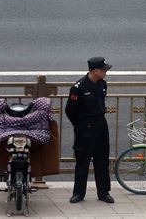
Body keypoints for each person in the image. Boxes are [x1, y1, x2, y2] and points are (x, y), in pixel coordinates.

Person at [65, 56, 114, 204]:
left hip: (100, 124)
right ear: (95, 70)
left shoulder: (102, 84)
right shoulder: (78, 88)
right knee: (82, 161)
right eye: (104, 69)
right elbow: (70, 111)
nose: (106, 72)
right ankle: (78, 193)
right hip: (85, 127)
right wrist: (80, 125)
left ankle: (103, 192)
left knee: (102, 160)